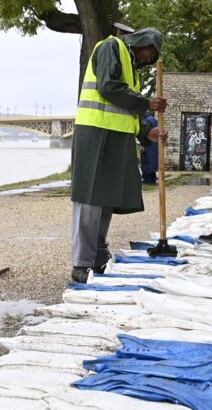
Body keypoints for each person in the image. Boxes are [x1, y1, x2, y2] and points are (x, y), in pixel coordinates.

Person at [70, 28, 167, 283]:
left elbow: (125, 113)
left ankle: (98, 256)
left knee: (106, 199)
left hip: (115, 137)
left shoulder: (131, 69)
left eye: (153, 56)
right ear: (141, 41)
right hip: (95, 134)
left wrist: (146, 132)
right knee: (90, 200)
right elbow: (108, 87)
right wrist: (146, 102)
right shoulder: (110, 47)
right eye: (150, 51)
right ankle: (81, 263)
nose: (148, 58)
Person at [140, 112, 158, 184]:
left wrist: (142, 145)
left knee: (146, 161)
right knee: (152, 162)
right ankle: (152, 179)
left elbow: (145, 134)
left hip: (148, 144)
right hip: (154, 143)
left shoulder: (145, 120)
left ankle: (147, 180)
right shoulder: (153, 119)